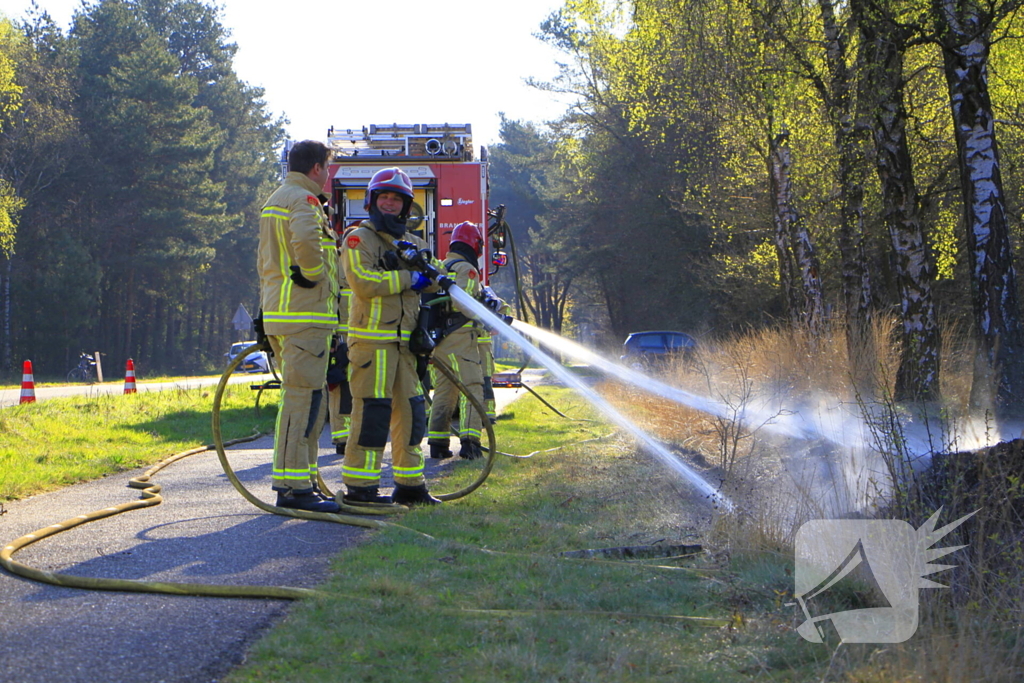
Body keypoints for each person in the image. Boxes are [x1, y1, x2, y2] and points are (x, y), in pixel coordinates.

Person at [340, 167, 447, 506]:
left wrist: (430, 274)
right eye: (384, 197)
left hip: (405, 347)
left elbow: (437, 278)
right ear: (372, 201)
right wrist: (407, 278)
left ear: (406, 206)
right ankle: (360, 488)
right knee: (372, 416)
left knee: (412, 415)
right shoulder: (358, 239)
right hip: (372, 344)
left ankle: (410, 485)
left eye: (396, 199)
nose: (389, 203)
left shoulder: (415, 244)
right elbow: (362, 281)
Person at [257, 140, 340, 514]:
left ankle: (302, 483)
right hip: (303, 316)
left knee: (307, 400)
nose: (328, 175)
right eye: (327, 168)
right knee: (301, 403)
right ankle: (293, 489)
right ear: (316, 168)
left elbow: (266, 261)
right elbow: (307, 240)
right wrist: (313, 274)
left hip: (282, 314)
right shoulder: (304, 201)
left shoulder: (276, 199)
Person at [427, 221, 487, 460]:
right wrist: (485, 317)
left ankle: (438, 443)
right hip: (461, 338)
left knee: (445, 391)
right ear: (474, 245)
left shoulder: (442, 266)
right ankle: (471, 443)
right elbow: (463, 301)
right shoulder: (467, 269)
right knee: (472, 387)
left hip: (439, 341)